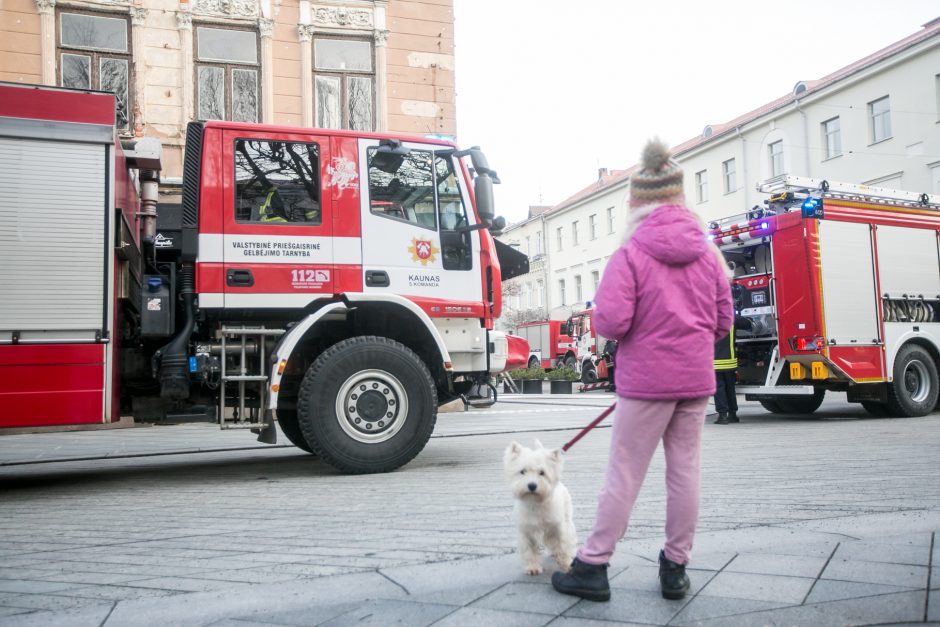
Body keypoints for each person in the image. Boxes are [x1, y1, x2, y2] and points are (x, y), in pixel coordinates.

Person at [551, 138, 733, 603]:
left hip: (645, 385)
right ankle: (675, 568)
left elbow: (612, 322)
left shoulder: (630, 255)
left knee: (625, 473)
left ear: (636, 201)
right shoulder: (709, 254)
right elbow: (723, 321)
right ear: (679, 196)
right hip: (694, 382)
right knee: (685, 472)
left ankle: (593, 565)